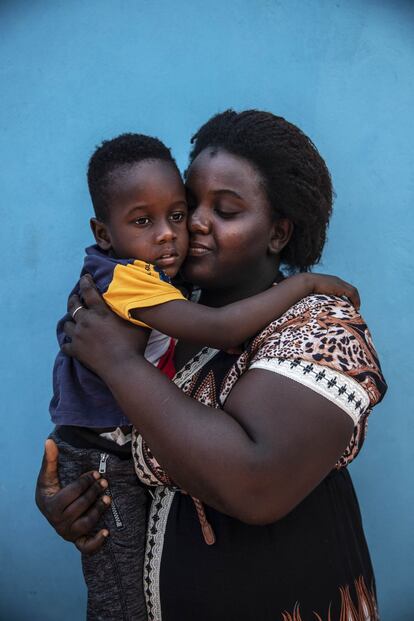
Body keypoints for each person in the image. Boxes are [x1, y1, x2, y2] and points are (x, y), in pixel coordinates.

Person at [37, 110, 387, 621]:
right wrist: (71, 497)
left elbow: (256, 483)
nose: (192, 223)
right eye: (189, 204)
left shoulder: (320, 326)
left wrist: (116, 361)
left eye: (223, 210)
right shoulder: (164, 307)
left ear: (278, 232)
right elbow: (97, 417)